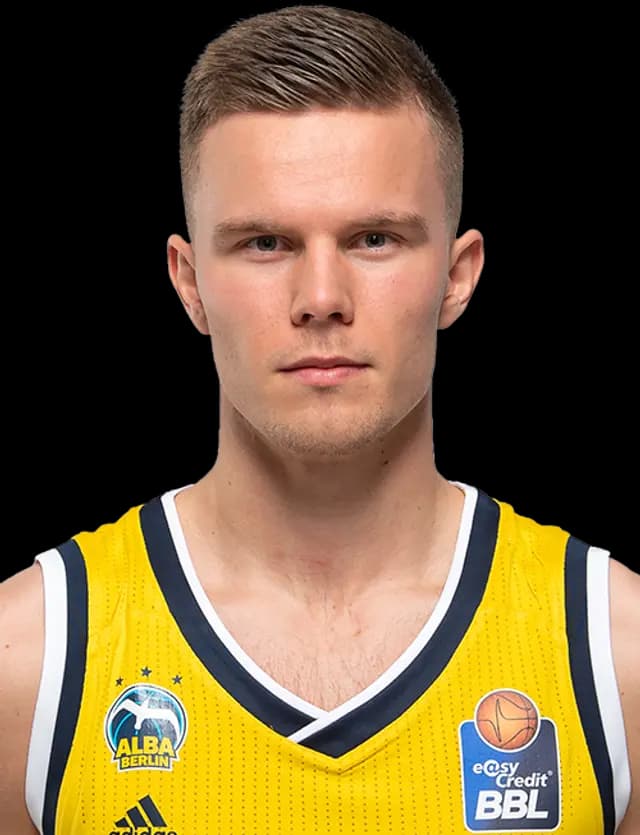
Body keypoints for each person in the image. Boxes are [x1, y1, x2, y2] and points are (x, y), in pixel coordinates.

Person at [1, 4, 637, 833]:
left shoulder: (614, 653)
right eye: (265, 243)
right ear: (189, 282)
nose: (323, 298)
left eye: (374, 238)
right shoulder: (33, 659)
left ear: (458, 275)